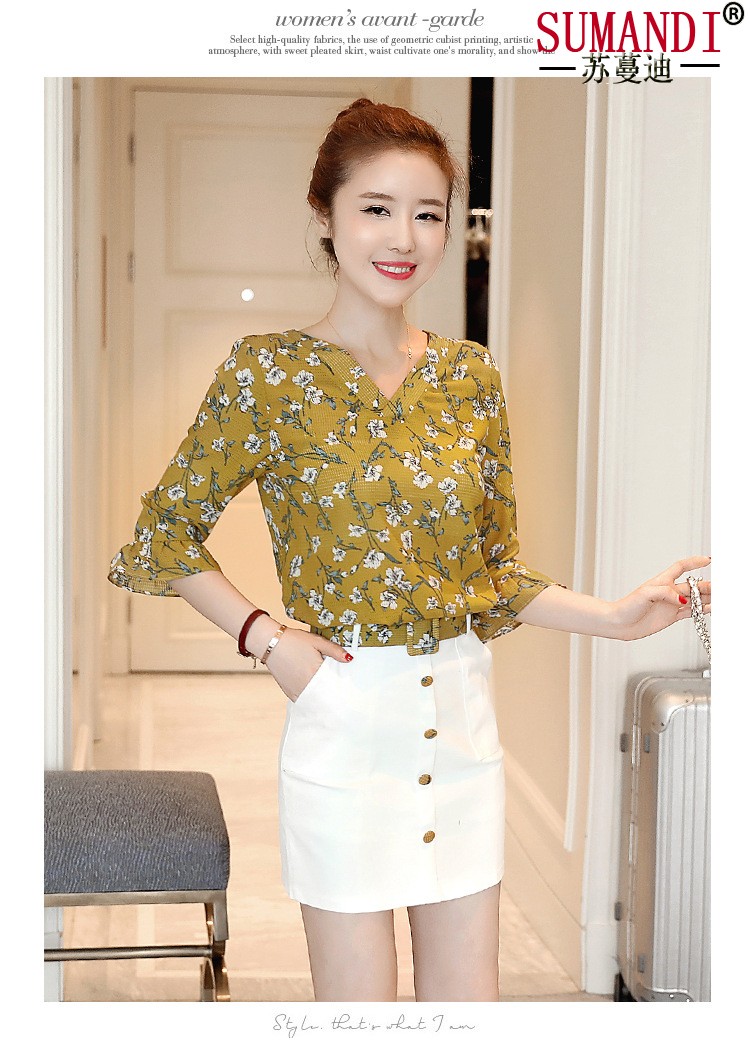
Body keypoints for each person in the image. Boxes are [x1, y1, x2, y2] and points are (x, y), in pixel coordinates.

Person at [108, 97, 711, 1002]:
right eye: (376, 208)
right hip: (345, 726)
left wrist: (619, 617)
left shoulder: (471, 377)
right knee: (360, 1011)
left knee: (466, 1008)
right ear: (326, 215)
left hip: (462, 727)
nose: (404, 237)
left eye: (428, 213)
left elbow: (492, 574)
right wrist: (269, 641)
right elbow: (164, 532)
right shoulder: (267, 374)